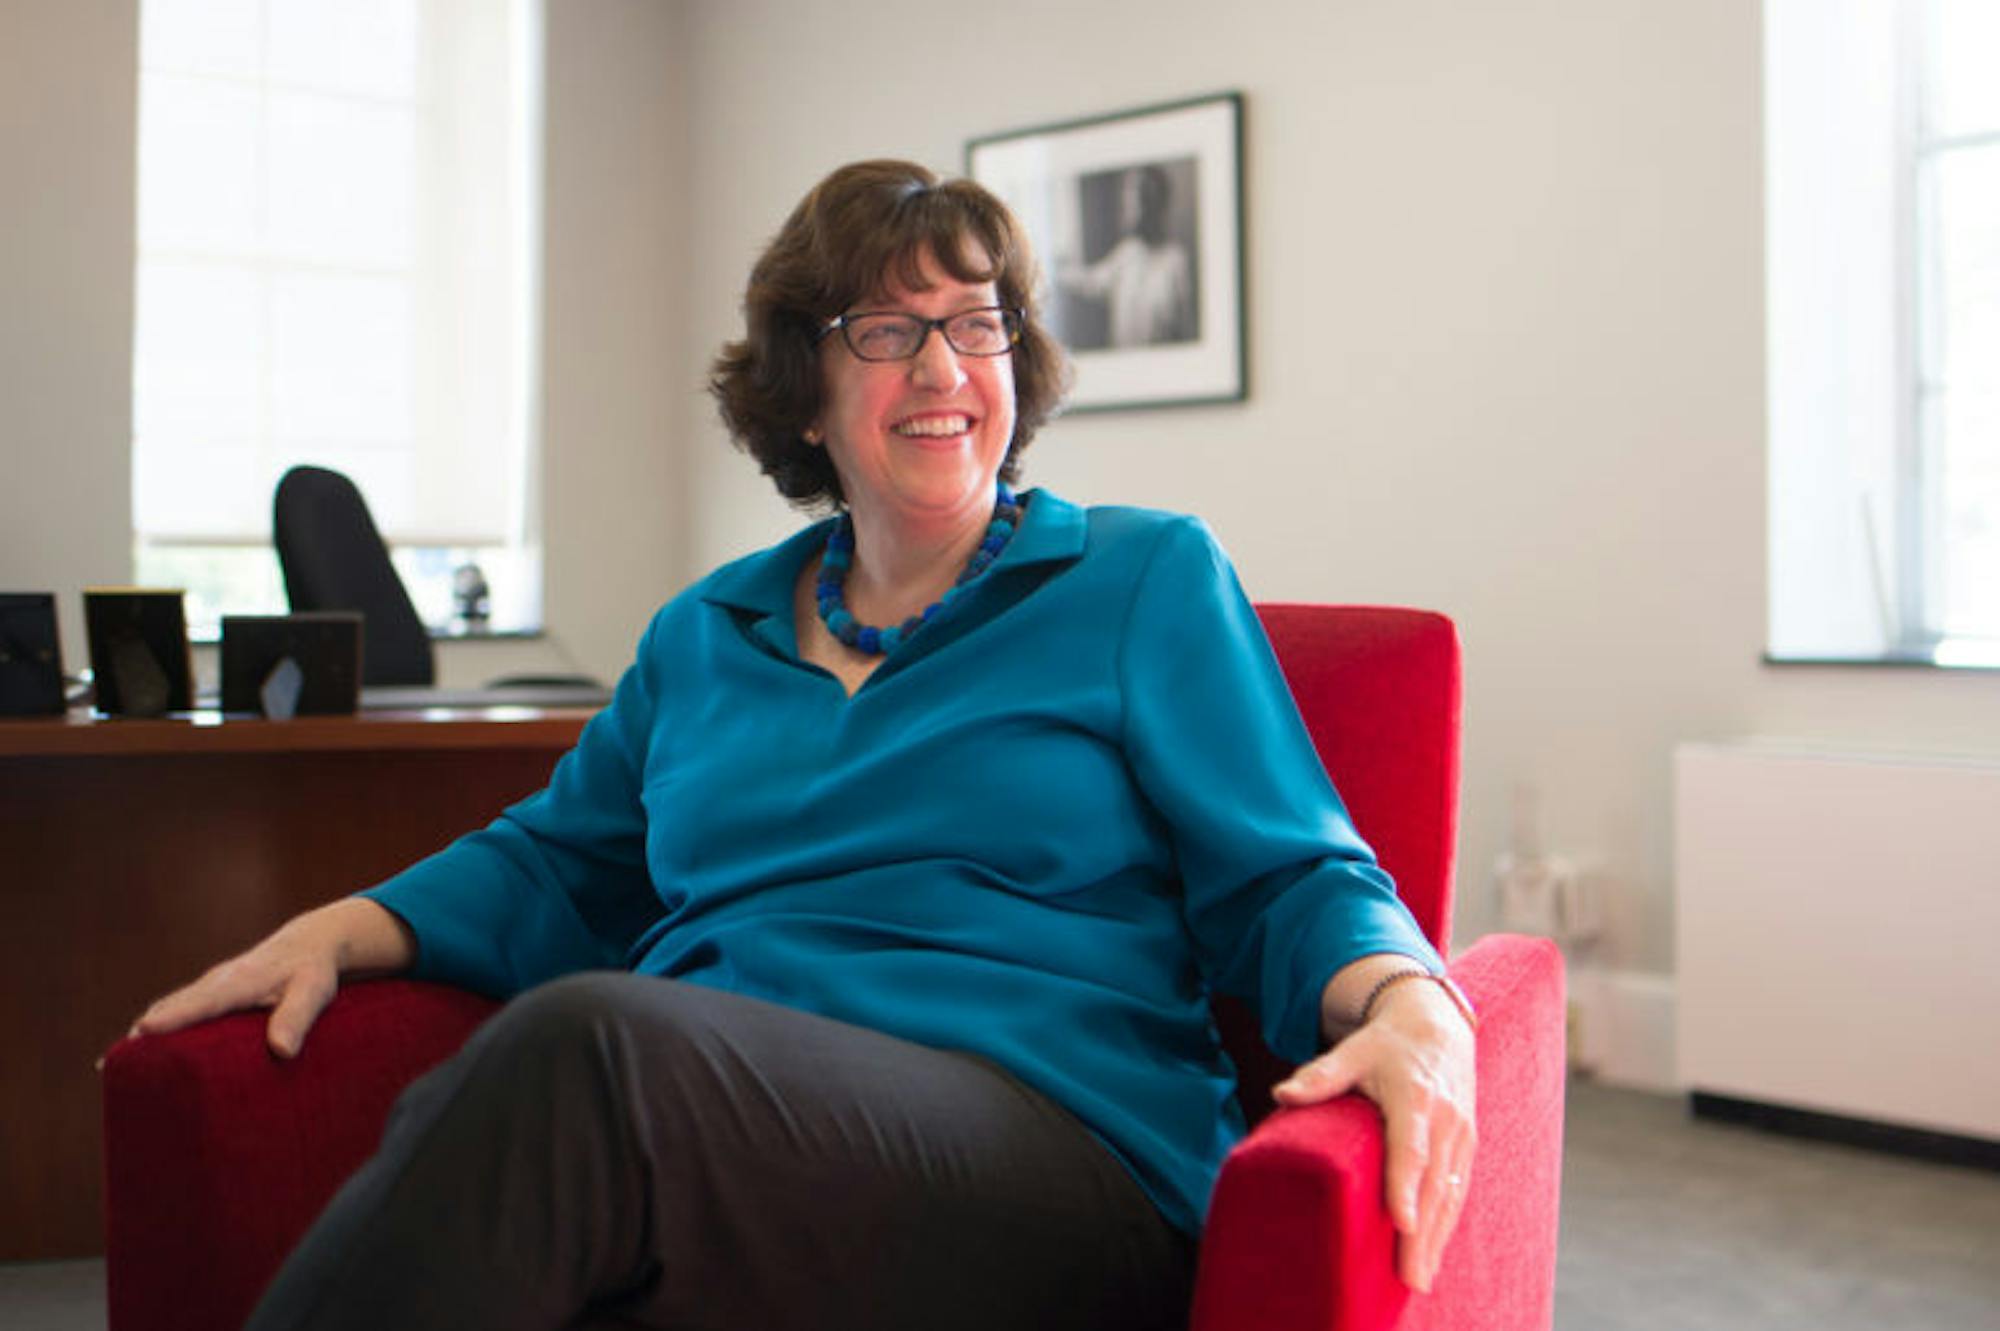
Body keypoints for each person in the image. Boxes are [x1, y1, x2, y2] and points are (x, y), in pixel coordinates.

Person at [132, 159, 1476, 1331]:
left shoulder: (1140, 580)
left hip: (1055, 1160)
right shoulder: (704, 632)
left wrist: (1414, 1006)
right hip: (733, 1144)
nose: (944, 367)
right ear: (807, 390)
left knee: (584, 1052)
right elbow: (559, 864)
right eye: (891, 329)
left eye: (976, 323)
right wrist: (345, 924)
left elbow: (1291, 871)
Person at [1057, 162, 1196, 347]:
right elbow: (1091, 282)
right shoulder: (1126, 254)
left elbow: (1188, 331)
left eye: (1139, 198)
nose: (1131, 208)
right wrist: (1055, 270)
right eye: (1129, 199)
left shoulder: (1176, 261)